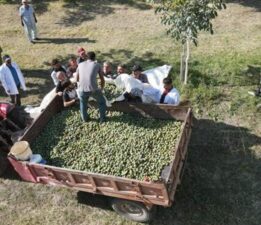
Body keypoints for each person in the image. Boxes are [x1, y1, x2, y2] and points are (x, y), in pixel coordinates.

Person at [76, 51, 106, 123]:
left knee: (83, 103)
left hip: (82, 89)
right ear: (94, 58)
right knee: (102, 102)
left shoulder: (80, 64)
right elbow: (102, 79)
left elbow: (76, 79)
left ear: (86, 57)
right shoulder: (97, 65)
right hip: (93, 89)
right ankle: (102, 119)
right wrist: (101, 88)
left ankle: (85, 119)